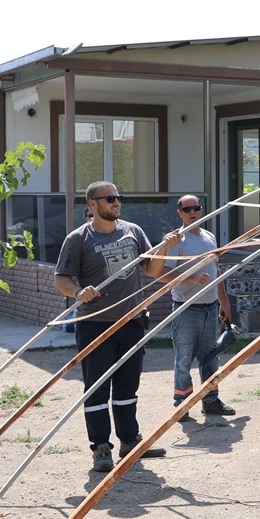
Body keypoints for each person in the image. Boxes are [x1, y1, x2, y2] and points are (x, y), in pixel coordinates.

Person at [54, 181, 175, 472]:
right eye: (109, 198)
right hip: (95, 323)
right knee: (97, 388)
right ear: (93, 205)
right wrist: (78, 291)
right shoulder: (78, 239)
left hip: (131, 321)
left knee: (127, 387)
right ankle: (101, 448)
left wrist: (165, 249)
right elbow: (62, 279)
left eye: (118, 197)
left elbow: (151, 270)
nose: (116, 202)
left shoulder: (133, 231)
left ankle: (130, 440)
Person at [164, 195, 236, 420]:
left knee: (210, 357)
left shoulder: (209, 237)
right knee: (183, 359)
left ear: (201, 210)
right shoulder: (177, 241)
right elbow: (165, 274)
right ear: (179, 213)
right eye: (187, 209)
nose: (192, 212)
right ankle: (182, 404)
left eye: (196, 208)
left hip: (210, 307)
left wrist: (224, 302)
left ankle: (211, 400)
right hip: (186, 308)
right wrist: (192, 278)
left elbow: (217, 271)